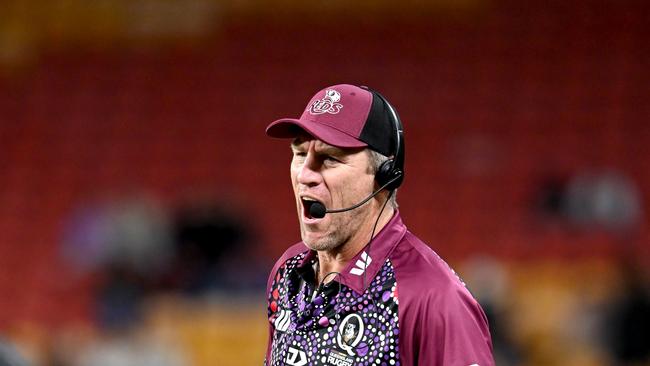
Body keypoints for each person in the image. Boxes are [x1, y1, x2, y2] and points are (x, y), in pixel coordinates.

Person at [264, 84, 494, 365]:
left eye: (329, 158)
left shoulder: (433, 299)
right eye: (300, 154)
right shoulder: (287, 271)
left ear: (385, 176)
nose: (305, 175)